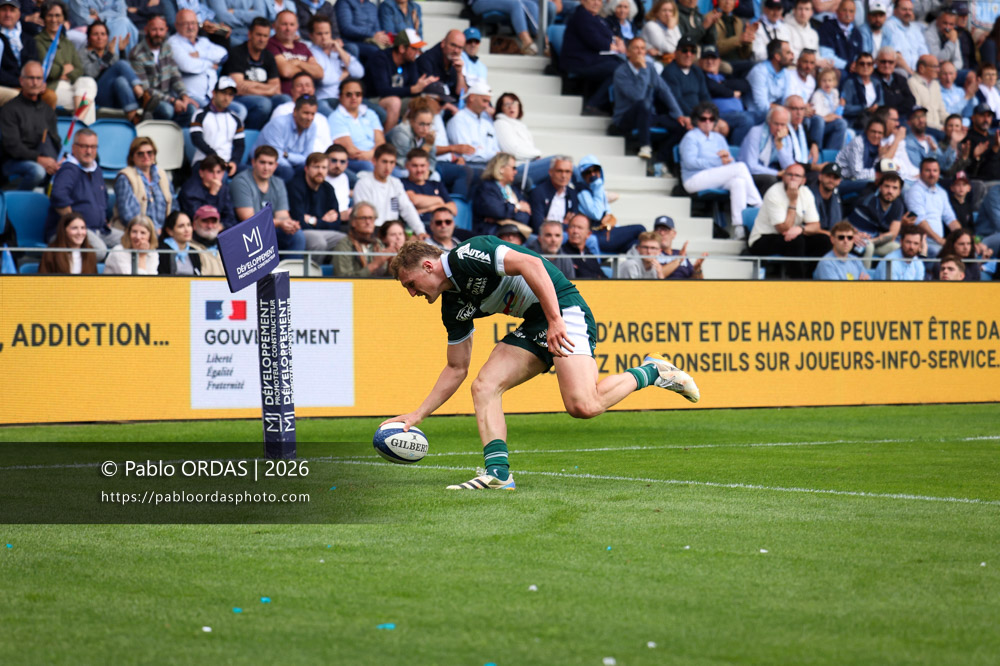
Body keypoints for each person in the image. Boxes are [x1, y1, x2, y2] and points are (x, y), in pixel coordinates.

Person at [381, 233, 700, 491]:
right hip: (536, 322)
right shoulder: (453, 307)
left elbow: (532, 264)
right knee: (484, 385)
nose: (412, 294)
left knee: (584, 406)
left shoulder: (467, 254)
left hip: (563, 308)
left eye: (409, 284)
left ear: (427, 266)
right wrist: (417, 414)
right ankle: (498, 475)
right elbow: (456, 368)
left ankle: (653, 371)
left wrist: (556, 321)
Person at [679, 101, 760, 241]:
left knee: (738, 182)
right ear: (697, 120)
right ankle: (759, 205)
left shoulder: (719, 138)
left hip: (715, 176)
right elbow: (690, 162)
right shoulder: (690, 137)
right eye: (704, 119)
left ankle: (739, 227)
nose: (708, 122)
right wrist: (718, 162)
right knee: (740, 167)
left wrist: (727, 160)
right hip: (694, 178)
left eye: (711, 119)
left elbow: (730, 164)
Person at [748, 162, 832, 279]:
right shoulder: (774, 192)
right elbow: (783, 229)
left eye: (797, 176)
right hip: (762, 239)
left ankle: (809, 276)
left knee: (824, 241)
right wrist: (793, 201)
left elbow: (815, 226)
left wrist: (800, 229)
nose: (793, 178)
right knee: (796, 241)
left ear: (803, 180)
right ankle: (797, 282)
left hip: (792, 236)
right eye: (789, 174)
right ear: (783, 177)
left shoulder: (806, 193)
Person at [664, 34, 752, 145]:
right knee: (722, 126)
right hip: (683, 116)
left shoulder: (696, 71)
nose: (688, 54)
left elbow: (705, 96)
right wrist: (698, 118)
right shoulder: (670, 72)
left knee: (722, 126)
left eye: (692, 51)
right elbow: (676, 100)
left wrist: (712, 116)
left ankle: (721, 156)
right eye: (684, 50)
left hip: (700, 115)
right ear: (676, 53)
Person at [45, 128, 117, 256]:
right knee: (99, 252)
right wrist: (74, 223)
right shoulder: (68, 170)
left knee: (129, 243)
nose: (89, 151)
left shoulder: (96, 170)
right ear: (74, 148)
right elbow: (58, 197)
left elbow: (103, 198)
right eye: (84, 146)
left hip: (100, 230)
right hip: (71, 233)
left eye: (93, 147)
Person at [613, 36, 686, 162]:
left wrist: (678, 114)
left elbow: (664, 90)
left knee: (682, 127)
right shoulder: (621, 72)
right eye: (636, 48)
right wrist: (643, 70)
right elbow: (638, 96)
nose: (640, 51)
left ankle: (661, 158)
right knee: (642, 104)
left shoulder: (650, 68)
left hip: (648, 115)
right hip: (626, 118)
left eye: (642, 48)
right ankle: (645, 146)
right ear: (628, 53)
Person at [231, 145, 305, 255]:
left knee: (297, 235)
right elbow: (248, 220)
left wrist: (289, 224)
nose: (266, 168)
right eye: (262, 162)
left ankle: (289, 271)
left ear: (276, 166)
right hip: (247, 234)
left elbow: (282, 214)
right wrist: (280, 223)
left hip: (270, 229)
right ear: (253, 162)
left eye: (270, 163)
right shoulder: (241, 182)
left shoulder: (278, 183)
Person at [34, 0, 97, 124]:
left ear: (63, 19)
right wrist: (64, 69)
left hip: (71, 85)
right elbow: (48, 71)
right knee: (88, 102)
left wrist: (65, 73)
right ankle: (82, 131)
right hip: (52, 87)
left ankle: (79, 123)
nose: (54, 19)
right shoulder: (37, 41)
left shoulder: (67, 42)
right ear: (44, 18)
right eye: (50, 15)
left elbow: (79, 70)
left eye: (58, 16)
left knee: (88, 81)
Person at [0, 61, 60, 190]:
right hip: (13, 162)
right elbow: (12, 147)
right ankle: (15, 204)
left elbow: (55, 140)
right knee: (37, 171)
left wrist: (57, 160)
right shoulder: (9, 109)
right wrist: (38, 159)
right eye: (31, 78)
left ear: (43, 83)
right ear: (21, 81)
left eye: (39, 78)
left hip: (42, 159)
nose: (35, 82)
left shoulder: (48, 111)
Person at [221, 16, 285, 131]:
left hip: (259, 96)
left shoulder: (269, 56)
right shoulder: (237, 52)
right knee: (264, 104)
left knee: (285, 100)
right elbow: (238, 88)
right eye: (258, 35)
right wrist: (267, 89)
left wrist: (251, 84)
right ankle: (250, 135)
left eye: (265, 36)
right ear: (249, 35)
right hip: (238, 98)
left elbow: (277, 89)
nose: (262, 39)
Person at [562, 0, 627, 113]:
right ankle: (592, 105)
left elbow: (609, 34)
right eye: (593, 0)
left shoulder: (595, 17)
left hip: (592, 59)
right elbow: (597, 42)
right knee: (620, 69)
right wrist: (614, 47)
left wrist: (617, 40)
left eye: (599, 0)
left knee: (623, 65)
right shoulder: (581, 17)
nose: (596, 3)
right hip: (578, 62)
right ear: (582, 1)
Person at [130, 15, 197, 123]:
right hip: (149, 100)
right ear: (146, 30)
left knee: (191, 109)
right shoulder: (136, 54)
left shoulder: (166, 48)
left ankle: (176, 136)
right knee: (168, 110)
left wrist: (184, 96)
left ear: (166, 30)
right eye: (154, 30)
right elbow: (145, 89)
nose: (158, 34)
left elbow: (175, 75)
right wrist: (173, 101)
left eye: (161, 30)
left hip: (169, 97)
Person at [365, 28, 431, 132]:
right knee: (394, 102)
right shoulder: (380, 59)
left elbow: (414, 88)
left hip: (396, 99)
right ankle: (387, 144)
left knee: (422, 102)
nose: (417, 53)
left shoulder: (410, 61)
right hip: (371, 100)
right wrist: (411, 90)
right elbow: (383, 90)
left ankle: (412, 140)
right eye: (414, 49)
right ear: (401, 48)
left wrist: (418, 88)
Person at [352, 143, 425, 235]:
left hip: (393, 232)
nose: (388, 167)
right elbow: (363, 217)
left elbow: (407, 208)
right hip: (371, 232)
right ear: (374, 161)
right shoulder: (363, 183)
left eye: (392, 162)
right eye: (384, 162)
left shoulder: (396, 183)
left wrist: (420, 231)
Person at [78, 20, 140, 123]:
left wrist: (122, 52)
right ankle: (142, 95)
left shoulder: (111, 53)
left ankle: (133, 118)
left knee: (121, 80)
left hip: (115, 96)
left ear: (107, 37)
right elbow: (90, 74)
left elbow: (125, 73)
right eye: (95, 34)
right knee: (120, 65)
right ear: (89, 37)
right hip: (96, 96)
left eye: (103, 34)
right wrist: (108, 56)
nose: (100, 37)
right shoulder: (82, 54)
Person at [166, 9, 229, 110]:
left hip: (211, 97)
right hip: (190, 97)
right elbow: (188, 66)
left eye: (193, 23)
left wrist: (200, 54)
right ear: (177, 25)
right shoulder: (172, 42)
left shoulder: (203, 41)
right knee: (214, 113)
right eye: (186, 24)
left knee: (240, 110)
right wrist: (210, 64)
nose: (191, 27)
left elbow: (224, 55)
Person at [286, 151, 345, 259]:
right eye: (316, 167)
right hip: (302, 232)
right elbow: (299, 222)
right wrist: (323, 221)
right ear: (306, 169)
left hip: (324, 232)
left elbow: (336, 223)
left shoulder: (328, 188)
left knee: (345, 241)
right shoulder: (295, 187)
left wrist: (314, 221)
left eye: (324, 168)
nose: (320, 171)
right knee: (319, 242)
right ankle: (313, 274)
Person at [308, 14, 364, 118]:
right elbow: (324, 80)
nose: (324, 37)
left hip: (346, 97)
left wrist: (340, 50)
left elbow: (359, 72)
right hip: (325, 98)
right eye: (319, 34)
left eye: (327, 33)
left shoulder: (336, 51)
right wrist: (344, 74)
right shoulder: (311, 53)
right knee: (336, 117)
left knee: (378, 113)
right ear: (311, 36)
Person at [114, 136, 174, 231]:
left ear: (154, 155)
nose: (146, 157)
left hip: (162, 233)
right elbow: (128, 216)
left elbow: (174, 207)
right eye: (140, 154)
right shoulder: (125, 177)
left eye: (149, 153)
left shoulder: (163, 175)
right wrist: (152, 231)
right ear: (132, 157)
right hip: (134, 233)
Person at [254, 94, 320, 181]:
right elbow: (276, 157)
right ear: (295, 112)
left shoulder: (312, 126)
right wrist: (296, 159)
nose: (309, 118)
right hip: (265, 163)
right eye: (306, 113)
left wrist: (287, 156)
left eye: (312, 114)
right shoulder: (279, 124)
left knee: (312, 171)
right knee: (288, 172)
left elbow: (308, 157)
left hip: (291, 164)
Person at [494, 91, 555, 184]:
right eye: (507, 104)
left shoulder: (521, 126)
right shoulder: (500, 124)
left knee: (561, 170)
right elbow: (512, 151)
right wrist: (537, 154)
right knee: (558, 161)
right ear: (501, 108)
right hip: (517, 168)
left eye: (514, 103)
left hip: (530, 164)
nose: (511, 107)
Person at [846, 170, 904, 266]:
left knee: (897, 247)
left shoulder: (898, 205)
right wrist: (859, 237)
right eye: (887, 186)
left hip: (873, 239)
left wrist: (872, 240)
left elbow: (893, 234)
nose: (890, 191)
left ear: (899, 192)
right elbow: (850, 226)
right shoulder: (867, 202)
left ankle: (889, 278)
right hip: (856, 240)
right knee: (868, 246)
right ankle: (865, 279)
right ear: (880, 187)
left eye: (895, 188)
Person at [904, 157, 959, 257]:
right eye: (927, 170)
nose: (932, 174)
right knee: (946, 256)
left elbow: (951, 219)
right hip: (923, 242)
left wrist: (962, 238)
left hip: (938, 243)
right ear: (920, 173)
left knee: (968, 253)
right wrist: (941, 241)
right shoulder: (915, 191)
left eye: (935, 171)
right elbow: (920, 221)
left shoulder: (942, 192)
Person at [189, 76, 244, 174]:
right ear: (214, 93)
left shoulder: (235, 118)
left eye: (230, 95)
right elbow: (197, 139)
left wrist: (234, 162)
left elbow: (240, 145)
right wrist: (216, 159)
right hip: (204, 161)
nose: (227, 98)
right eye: (223, 93)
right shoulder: (200, 115)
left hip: (227, 163)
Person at [330, 77, 385, 173]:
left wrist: (373, 155)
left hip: (375, 158)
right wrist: (373, 156)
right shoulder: (335, 117)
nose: (354, 97)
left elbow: (381, 142)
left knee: (401, 173)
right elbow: (350, 151)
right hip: (354, 161)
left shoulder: (370, 113)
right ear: (340, 96)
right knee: (370, 167)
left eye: (358, 94)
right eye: (349, 94)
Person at [471, 151, 532, 236]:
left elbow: (525, 216)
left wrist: (499, 219)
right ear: (501, 168)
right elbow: (497, 211)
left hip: (514, 235)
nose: (516, 172)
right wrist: (517, 207)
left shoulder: (513, 189)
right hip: (491, 234)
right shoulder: (486, 187)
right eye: (513, 168)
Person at [740, 105, 795, 195]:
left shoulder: (786, 138)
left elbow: (789, 167)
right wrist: (777, 173)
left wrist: (779, 144)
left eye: (783, 125)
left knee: (794, 179)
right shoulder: (756, 132)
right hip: (748, 174)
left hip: (771, 173)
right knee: (771, 179)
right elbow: (751, 166)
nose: (779, 128)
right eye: (776, 124)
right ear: (769, 122)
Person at [267, 10, 323, 97]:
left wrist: (297, 62)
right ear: (275, 26)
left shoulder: (302, 46)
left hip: (308, 98)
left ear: (297, 27)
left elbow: (319, 73)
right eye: (284, 24)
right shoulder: (270, 44)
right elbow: (286, 72)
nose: (288, 28)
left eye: (292, 24)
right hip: (285, 97)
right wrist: (307, 67)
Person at [0, 0, 43, 107]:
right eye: (4, 10)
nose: (8, 14)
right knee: (19, 96)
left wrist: (33, 82)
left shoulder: (28, 39)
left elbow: (33, 63)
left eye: (12, 10)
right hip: (7, 85)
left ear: (19, 14)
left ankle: (43, 123)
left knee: (50, 95)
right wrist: (22, 83)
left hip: (25, 84)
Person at [446, 80, 498, 166]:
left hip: (489, 166)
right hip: (469, 165)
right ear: (471, 97)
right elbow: (467, 154)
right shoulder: (458, 120)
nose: (486, 106)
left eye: (488, 102)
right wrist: (493, 154)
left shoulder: (487, 122)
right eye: (484, 101)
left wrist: (483, 151)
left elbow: (496, 149)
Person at [178, 155, 237, 230]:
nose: (215, 176)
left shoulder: (224, 188)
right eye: (211, 172)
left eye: (218, 172)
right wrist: (212, 194)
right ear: (201, 173)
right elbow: (199, 219)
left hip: (218, 230)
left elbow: (231, 217)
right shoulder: (189, 191)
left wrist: (222, 226)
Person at [332, 202, 390, 277]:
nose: (368, 222)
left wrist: (391, 264)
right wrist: (374, 265)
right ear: (353, 222)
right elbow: (343, 278)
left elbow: (386, 276)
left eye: (371, 218)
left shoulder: (378, 243)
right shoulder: (344, 245)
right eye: (363, 218)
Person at [402, 148, 456, 225]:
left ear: (428, 165)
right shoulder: (402, 183)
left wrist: (428, 209)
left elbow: (453, 209)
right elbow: (414, 200)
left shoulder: (437, 184)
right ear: (407, 165)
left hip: (439, 227)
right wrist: (439, 200)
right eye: (415, 166)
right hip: (415, 227)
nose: (419, 170)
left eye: (422, 165)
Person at [528, 156, 580, 233]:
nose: (563, 176)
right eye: (559, 171)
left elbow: (574, 225)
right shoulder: (538, 192)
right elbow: (538, 226)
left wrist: (548, 223)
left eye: (567, 172)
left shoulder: (573, 194)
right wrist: (564, 223)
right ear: (550, 172)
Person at [416, 29, 466, 104]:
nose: (456, 50)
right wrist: (448, 106)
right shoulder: (426, 60)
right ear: (443, 43)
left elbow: (462, 94)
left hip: (449, 104)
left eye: (460, 48)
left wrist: (459, 73)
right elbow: (430, 94)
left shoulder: (455, 62)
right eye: (453, 45)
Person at [747, 39, 793, 116]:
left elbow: (787, 100)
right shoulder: (759, 71)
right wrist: (786, 110)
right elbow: (762, 106)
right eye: (788, 53)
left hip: (777, 114)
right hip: (755, 115)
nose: (792, 56)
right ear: (777, 56)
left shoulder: (786, 73)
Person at [835, 117, 884, 185]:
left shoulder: (880, 147)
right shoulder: (857, 143)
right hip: (843, 180)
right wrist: (877, 174)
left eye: (880, 133)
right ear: (866, 131)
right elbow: (857, 174)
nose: (876, 135)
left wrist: (881, 156)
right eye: (873, 131)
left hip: (863, 180)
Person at [883, 0, 927, 76]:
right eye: (904, 9)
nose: (908, 13)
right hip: (900, 72)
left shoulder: (915, 28)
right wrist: (912, 74)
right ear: (895, 11)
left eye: (910, 10)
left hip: (918, 74)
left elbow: (924, 53)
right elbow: (896, 56)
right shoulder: (889, 26)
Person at [817, 0, 862, 71]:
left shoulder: (857, 33)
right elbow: (825, 55)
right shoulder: (827, 27)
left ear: (854, 14)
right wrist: (847, 65)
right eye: (844, 10)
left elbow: (859, 56)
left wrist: (855, 65)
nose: (847, 14)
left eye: (851, 11)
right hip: (834, 69)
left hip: (853, 70)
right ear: (837, 11)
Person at [908, 55, 949, 134]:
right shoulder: (912, 83)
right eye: (935, 67)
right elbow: (918, 115)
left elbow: (942, 111)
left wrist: (952, 123)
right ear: (921, 68)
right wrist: (941, 128)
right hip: (926, 129)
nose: (938, 70)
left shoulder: (935, 84)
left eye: (938, 66)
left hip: (939, 128)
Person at [840, 52, 881, 130]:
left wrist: (877, 108)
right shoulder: (849, 83)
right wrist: (865, 108)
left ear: (873, 66)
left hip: (875, 122)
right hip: (856, 123)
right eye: (862, 64)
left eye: (869, 64)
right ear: (856, 66)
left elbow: (882, 102)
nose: (865, 66)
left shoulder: (877, 83)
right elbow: (845, 108)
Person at [157, 210, 204, 275]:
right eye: (181, 226)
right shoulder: (161, 250)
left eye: (189, 225)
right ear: (169, 231)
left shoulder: (193, 252)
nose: (187, 229)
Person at [961, 104, 1000, 181]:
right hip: (981, 183)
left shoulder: (994, 138)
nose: (986, 119)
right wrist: (976, 157)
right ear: (973, 118)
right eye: (982, 115)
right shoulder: (967, 138)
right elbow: (968, 170)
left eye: (989, 116)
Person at [562, 212, 607, 278]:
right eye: (572, 227)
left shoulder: (590, 256)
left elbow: (604, 279)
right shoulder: (561, 255)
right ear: (567, 230)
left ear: (588, 234)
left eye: (580, 228)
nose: (575, 231)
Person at [875, 46, 915, 118]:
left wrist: (895, 110)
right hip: (881, 119)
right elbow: (881, 105)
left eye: (890, 62)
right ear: (877, 62)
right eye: (883, 62)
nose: (887, 65)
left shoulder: (900, 79)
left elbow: (911, 101)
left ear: (895, 63)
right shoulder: (872, 79)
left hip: (902, 116)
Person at [188, 204, 225, 275]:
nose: (210, 226)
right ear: (194, 225)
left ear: (219, 225)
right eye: (205, 221)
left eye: (213, 222)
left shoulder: (226, 247)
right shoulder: (188, 248)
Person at [806, 162, 842, 233]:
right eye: (828, 176)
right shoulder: (808, 194)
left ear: (839, 181)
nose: (831, 180)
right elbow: (808, 226)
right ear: (820, 177)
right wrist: (831, 235)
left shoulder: (836, 197)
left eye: (835, 178)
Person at [325, 143, 353, 220]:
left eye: (342, 161)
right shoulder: (319, 177)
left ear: (347, 164)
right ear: (325, 160)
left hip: (342, 219)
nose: (338, 165)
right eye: (334, 160)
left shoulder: (344, 177)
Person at [460, 26, 488, 93]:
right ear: (463, 43)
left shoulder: (483, 67)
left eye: (476, 41)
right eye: (469, 41)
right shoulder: (459, 58)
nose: (473, 44)